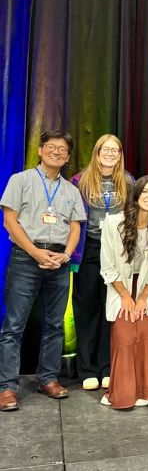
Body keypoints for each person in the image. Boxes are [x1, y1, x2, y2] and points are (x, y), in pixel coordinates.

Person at [0, 130, 86, 411]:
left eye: (62, 149)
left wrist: (66, 255)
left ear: (68, 157)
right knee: (14, 325)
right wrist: (35, 252)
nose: (56, 152)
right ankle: (7, 387)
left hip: (59, 262)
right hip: (26, 259)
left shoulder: (71, 190)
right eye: (51, 146)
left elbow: (75, 227)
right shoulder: (20, 180)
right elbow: (10, 221)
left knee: (55, 324)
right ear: (40, 150)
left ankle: (48, 378)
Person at [100, 176, 148, 409]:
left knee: (146, 329)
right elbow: (108, 266)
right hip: (120, 286)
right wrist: (125, 296)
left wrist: (142, 298)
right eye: (146, 192)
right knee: (124, 334)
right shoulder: (113, 223)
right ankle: (122, 390)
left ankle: (145, 389)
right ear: (136, 194)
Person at [71, 134, 134, 391]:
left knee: (112, 308)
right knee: (87, 308)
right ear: (97, 153)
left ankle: (108, 366)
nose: (110, 154)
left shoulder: (128, 181)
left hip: (116, 252)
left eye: (115, 150)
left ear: (120, 155)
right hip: (89, 249)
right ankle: (87, 369)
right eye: (105, 149)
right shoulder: (80, 181)